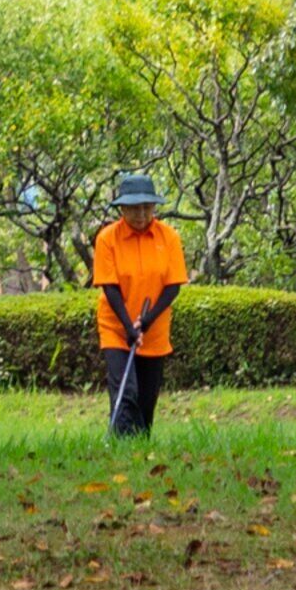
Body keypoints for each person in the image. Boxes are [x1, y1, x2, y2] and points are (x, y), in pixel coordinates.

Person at [90, 172, 187, 437]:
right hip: (116, 327)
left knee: (146, 398)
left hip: (153, 328)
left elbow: (173, 286)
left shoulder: (169, 237)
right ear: (122, 208)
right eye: (134, 208)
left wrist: (146, 321)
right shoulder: (107, 238)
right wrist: (128, 326)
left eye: (147, 207)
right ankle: (121, 445)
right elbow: (109, 287)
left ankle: (141, 446)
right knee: (126, 392)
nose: (141, 214)